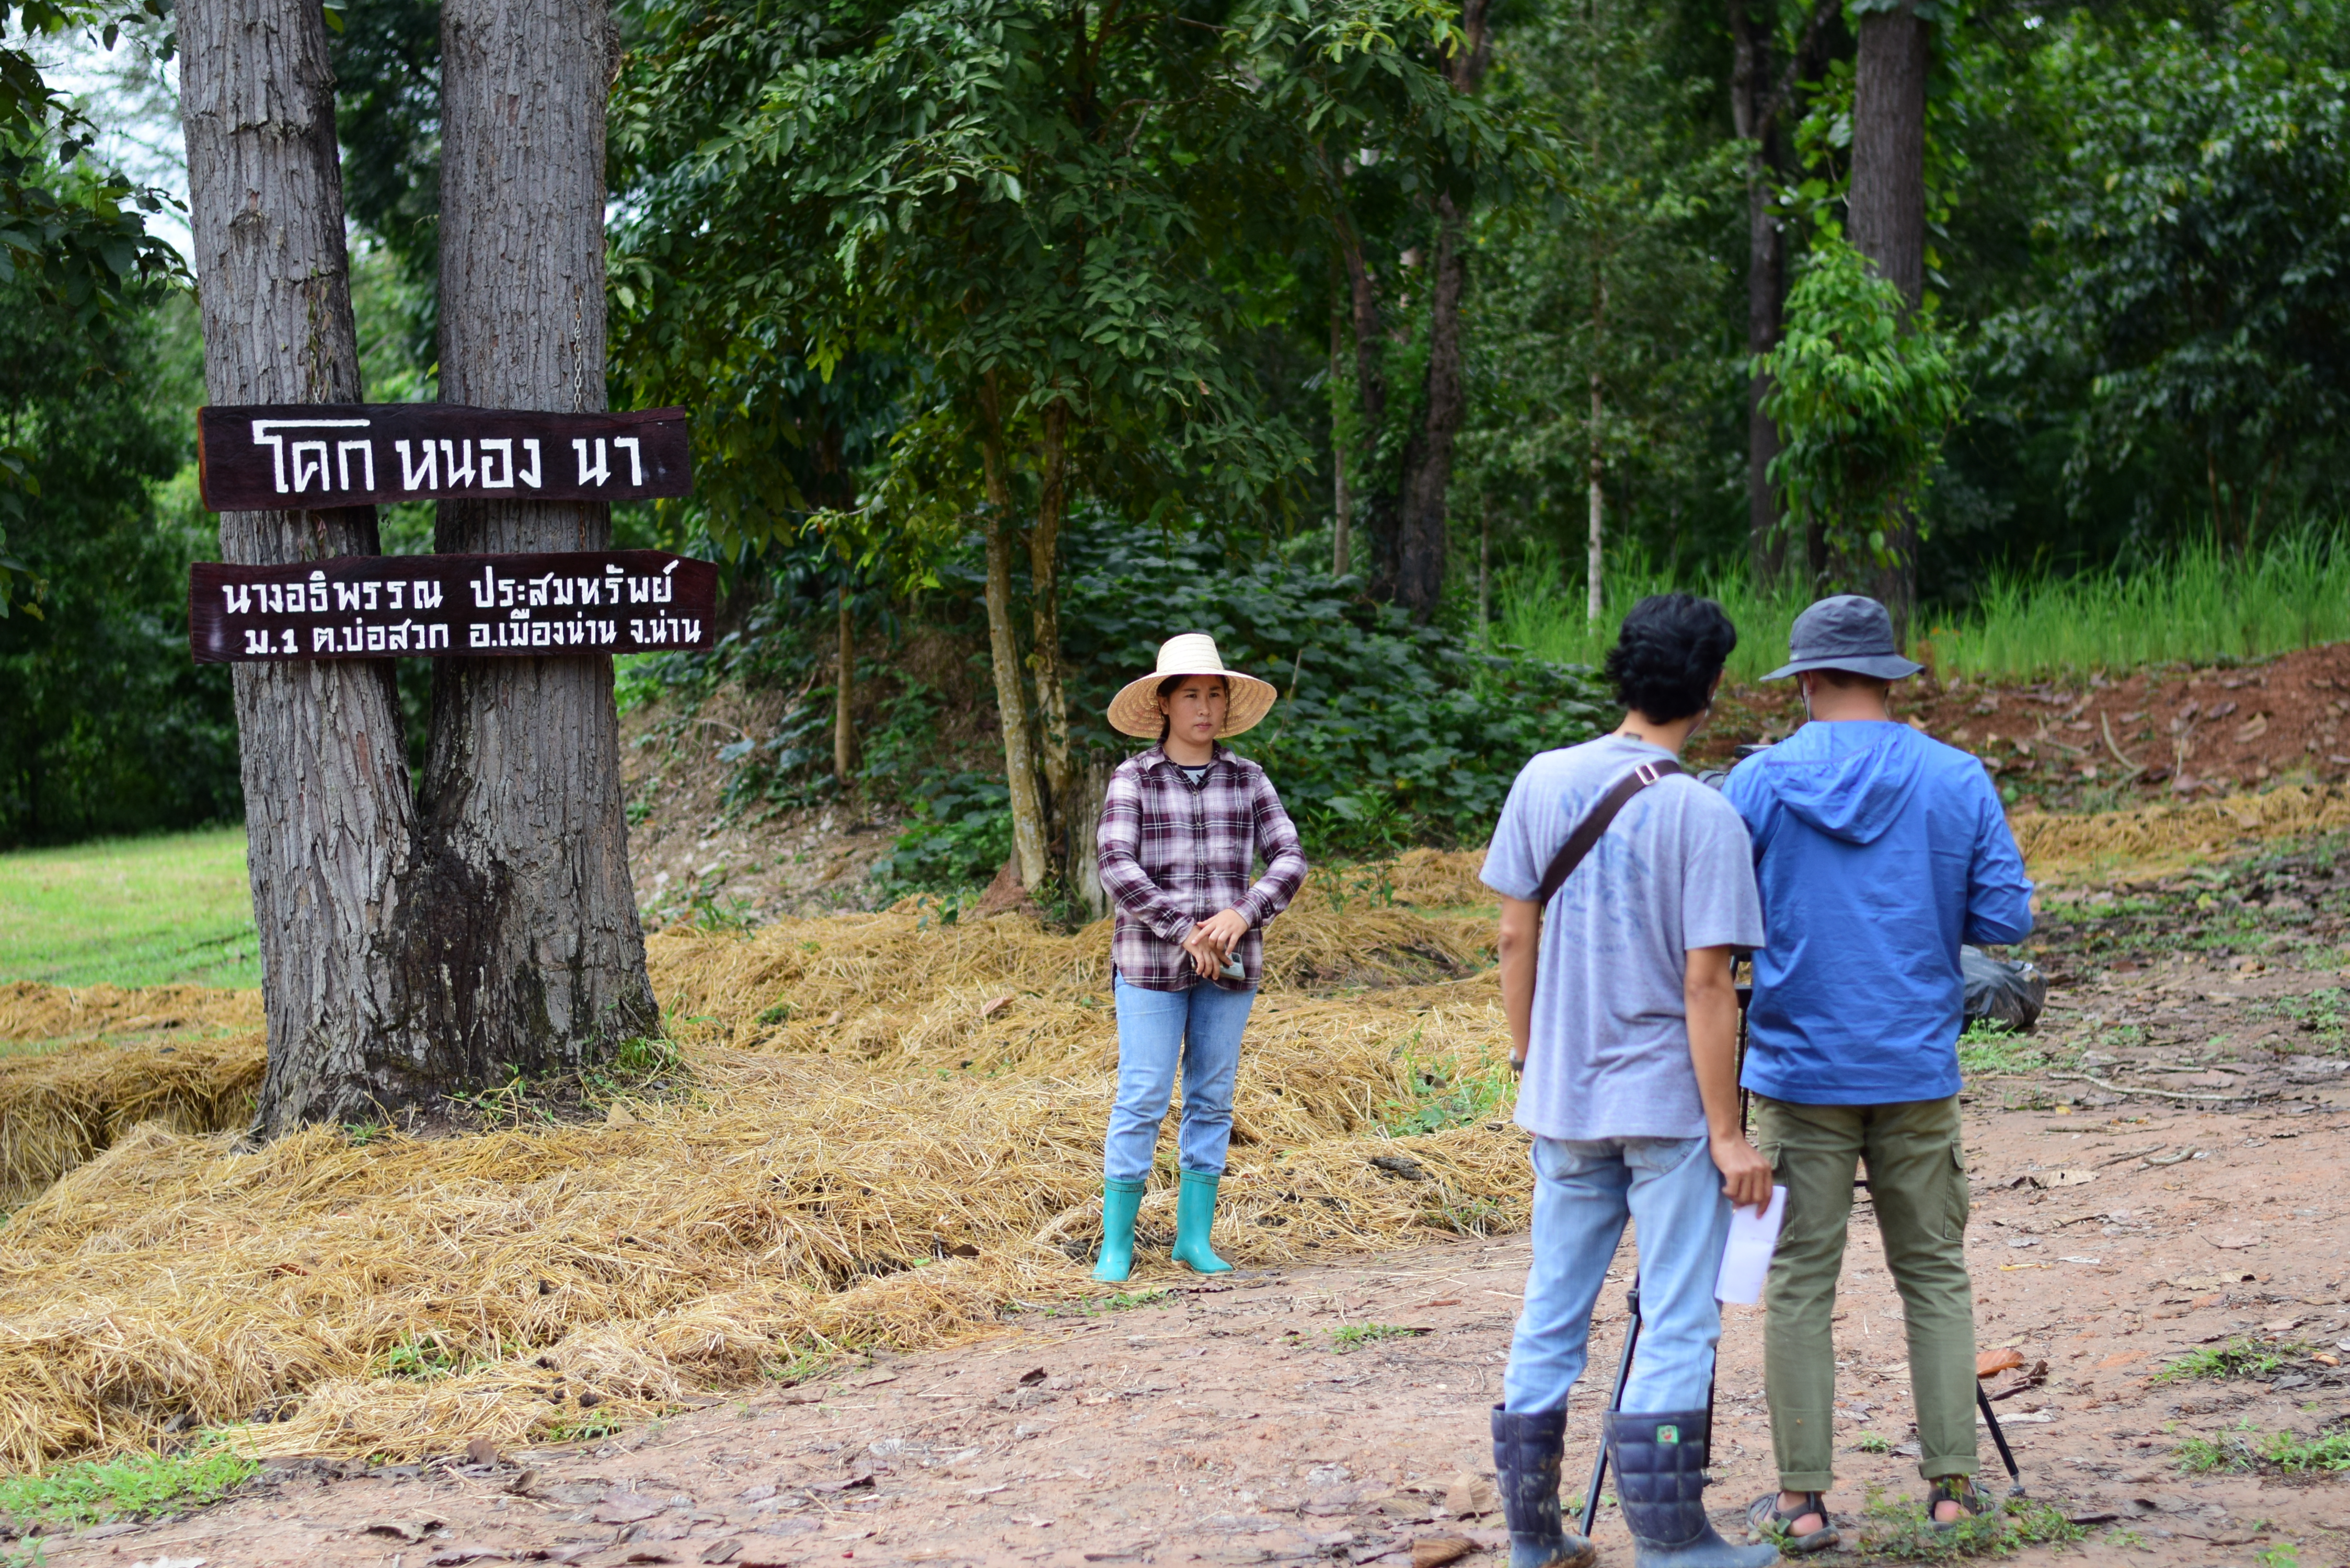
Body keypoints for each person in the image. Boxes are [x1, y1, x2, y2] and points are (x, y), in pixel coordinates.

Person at [1722, 595, 2034, 1549]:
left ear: (1807, 682)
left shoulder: (1757, 782)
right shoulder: (1954, 776)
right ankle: (1950, 1489)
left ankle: (1802, 1500)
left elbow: (1718, 926)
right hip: (1914, 1066)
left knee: (1800, 1285)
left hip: (1795, 1073)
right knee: (1935, 1275)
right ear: (1891, 680)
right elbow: (2006, 920)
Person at [1481, 594, 1779, 1568]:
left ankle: (1534, 1537)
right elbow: (1708, 987)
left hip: (1562, 1102)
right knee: (1678, 1314)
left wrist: (1533, 1055)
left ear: (1622, 676)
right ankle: (1671, 1538)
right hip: (1662, 1107)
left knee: (1551, 1309)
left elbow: (1513, 932)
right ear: (1710, 690)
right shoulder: (1705, 815)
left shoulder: (1540, 779)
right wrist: (1728, 1135)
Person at [1091, 632, 1307, 1282]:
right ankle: (1117, 1245)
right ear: (1163, 704)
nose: (1204, 708)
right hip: (1152, 966)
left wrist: (1243, 914)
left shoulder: (1247, 779)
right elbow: (1115, 866)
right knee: (1144, 1093)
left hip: (1231, 967)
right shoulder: (1134, 779)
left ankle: (1193, 1239)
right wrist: (1186, 931)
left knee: (1211, 1097)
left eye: (1215, 695)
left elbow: (1289, 857)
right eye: (1191, 695)